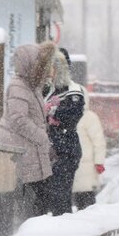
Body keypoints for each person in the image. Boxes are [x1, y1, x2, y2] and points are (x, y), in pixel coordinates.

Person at [0, 42, 58, 214]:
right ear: (31, 64)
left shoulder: (31, 86)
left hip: (31, 152)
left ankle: (36, 231)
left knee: (40, 201)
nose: (46, 69)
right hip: (24, 152)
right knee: (34, 204)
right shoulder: (19, 86)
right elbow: (18, 119)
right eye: (41, 64)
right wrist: (42, 137)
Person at [41, 49, 85, 216]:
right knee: (49, 196)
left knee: (60, 195)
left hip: (65, 149)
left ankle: (62, 229)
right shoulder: (46, 89)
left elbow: (74, 114)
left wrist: (53, 114)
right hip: (49, 149)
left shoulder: (73, 89)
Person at [72, 91, 107, 210]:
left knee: (86, 200)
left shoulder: (89, 117)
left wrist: (99, 161)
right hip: (76, 164)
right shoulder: (70, 115)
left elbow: (99, 142)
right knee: (81, 200)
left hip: (85, 166)